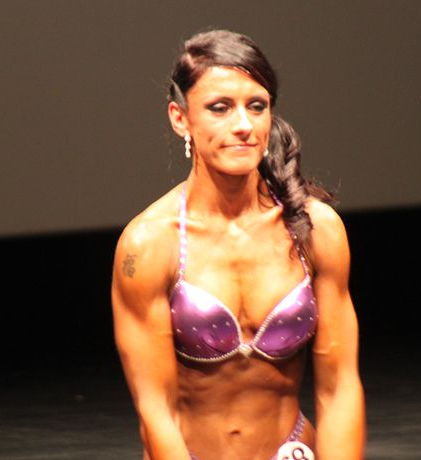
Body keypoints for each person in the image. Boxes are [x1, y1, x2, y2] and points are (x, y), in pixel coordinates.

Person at [111, 30, 364, 460]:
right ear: (180, 119)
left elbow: (339, 387)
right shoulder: (150, 244)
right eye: (220, 108)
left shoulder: (315, 229)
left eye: (257, 106)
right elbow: (156, 410)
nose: (244, 125)